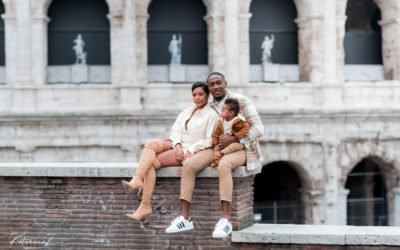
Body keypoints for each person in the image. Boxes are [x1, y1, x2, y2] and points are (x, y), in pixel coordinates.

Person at [166, 72, 264, 238]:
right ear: (209, 88)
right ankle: (185, 218)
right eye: (211, 85)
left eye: (219, 83)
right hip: (216, 147)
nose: (215, 87)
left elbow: (259, 129)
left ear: (226, 83)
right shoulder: (209, 105)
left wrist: (234, 138)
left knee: (224, 164)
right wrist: (181, 145)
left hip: (242, 148)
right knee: (189, 165)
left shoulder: (241, 101)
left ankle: (225, 220)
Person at [122, 82, 219, 221]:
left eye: (201, 94)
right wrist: (178, 145)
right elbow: (176, 130)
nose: (197, 98)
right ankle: (137, 179)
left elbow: (209, 140)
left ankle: (144, 204)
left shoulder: (212, 115)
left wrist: (188, 150)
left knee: (151, 163)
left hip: (190, 150)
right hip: (177, 145)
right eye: (194, 95)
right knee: (150, 144)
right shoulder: (188, 111)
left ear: (208, 95)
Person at [210, 98, 250, 168]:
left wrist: (236, 136)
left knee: (233, 146)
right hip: (224, 144)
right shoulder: (221, 121)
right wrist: (214, 141)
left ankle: (222, 153)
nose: (220, 112)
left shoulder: (238, 120)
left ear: (231, 113)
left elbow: (246, 129)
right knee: (216, 148)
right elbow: (217, 133)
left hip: (237, 143)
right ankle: (217, 160)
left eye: (223, 111)